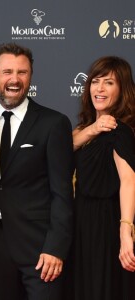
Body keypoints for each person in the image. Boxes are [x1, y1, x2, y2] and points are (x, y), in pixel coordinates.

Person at [0, 43, 74, 300]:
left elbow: (62, 193)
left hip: (40, 249)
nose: (14, 79)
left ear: (30, 76)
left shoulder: (53, 123)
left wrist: (55, 248)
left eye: (22, 72)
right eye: (7, 71)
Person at [70, 56, 135, 300]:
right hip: (80, 223)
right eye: (95, 82)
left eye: (108, 83)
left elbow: (129, 181)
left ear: (122, 89)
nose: (99, 89)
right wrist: (93, 129)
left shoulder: (121, 131)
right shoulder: (83, 129)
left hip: (104, 224)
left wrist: (125, 231)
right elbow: (62, 149)